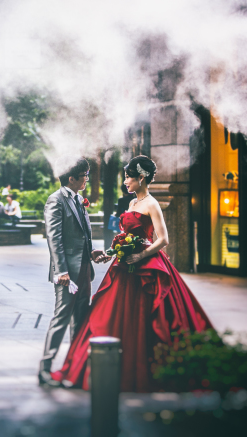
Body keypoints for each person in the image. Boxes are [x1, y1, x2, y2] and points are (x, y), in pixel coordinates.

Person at [51, 155, 213, 392]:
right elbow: (128, 236)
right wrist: (113, 253)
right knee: (107, 314)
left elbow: (163, 239)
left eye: (128, 177)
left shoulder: (151, 203)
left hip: (146, 266)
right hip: (124, 267)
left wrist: (140, 256)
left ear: (141, 177)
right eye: (125, 177)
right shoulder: (131, 204)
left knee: (149, 317)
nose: (125, 181)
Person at [38, 158, 109, 387]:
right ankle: (45, 369)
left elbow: (81, 237)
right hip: (67, 274)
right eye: (85, 175)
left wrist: (91, 253)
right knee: (61, 318)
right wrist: (61, 271)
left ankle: (73, 368)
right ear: (72, 178)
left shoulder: (79, 200)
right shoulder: (55, 200)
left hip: (84, 271)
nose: (87, 178)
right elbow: (54, 239)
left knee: (80, 320)